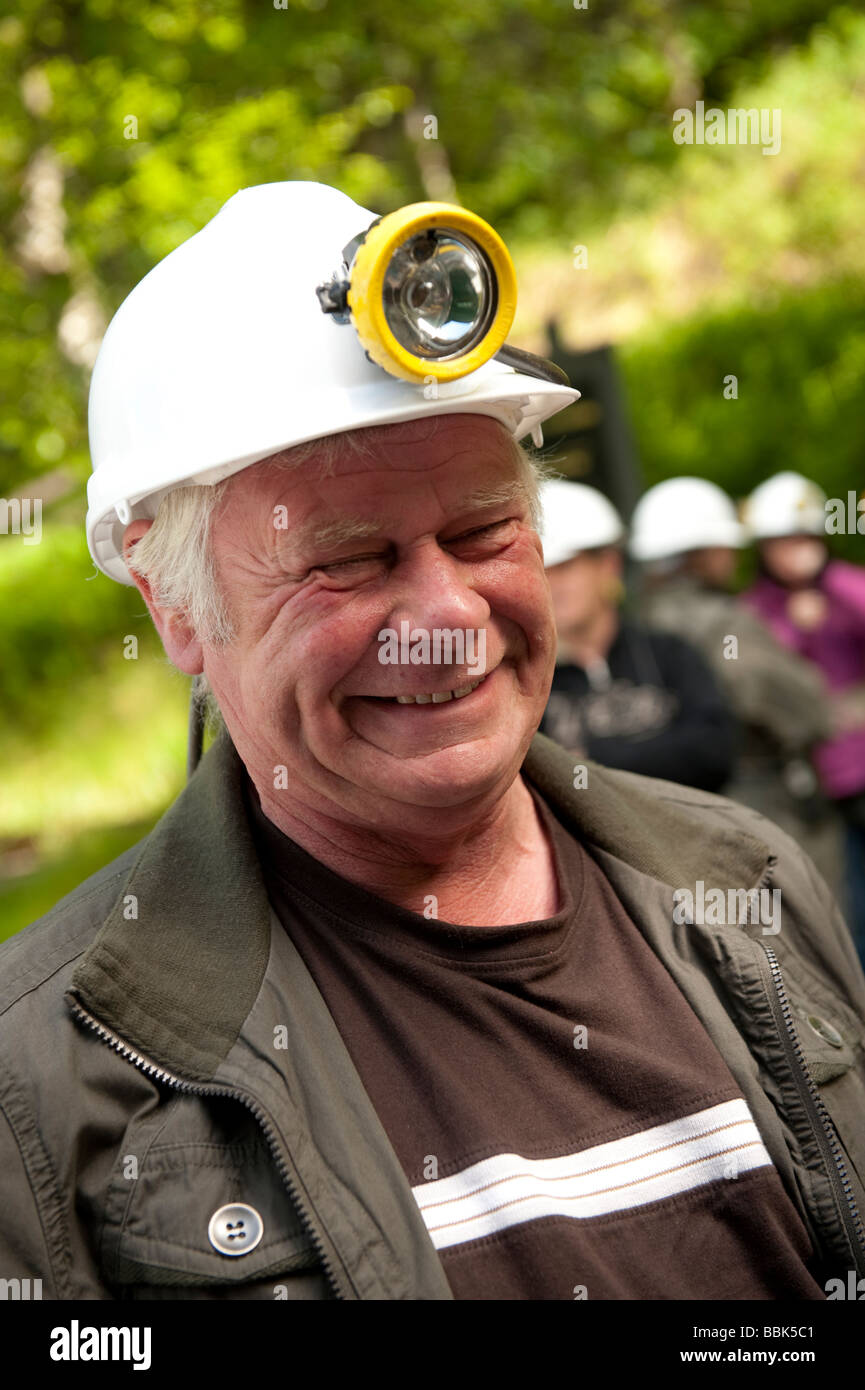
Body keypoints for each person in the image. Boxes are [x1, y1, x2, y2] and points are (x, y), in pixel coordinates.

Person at [0, 182, 864, 1302]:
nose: (448, 616)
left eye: (483, 531)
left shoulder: (748, 882)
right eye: (350, 559)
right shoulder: (47, 1080)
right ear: (177, 612)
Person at [631, 476, 845, 897]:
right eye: (724, 545)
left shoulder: (633, 628)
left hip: (678, 825)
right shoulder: (725, 624)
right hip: (768, 811)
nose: (733, 556)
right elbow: (809, 712)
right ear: (700, 553)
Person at [538, 478, 736, 791]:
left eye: (565, 567)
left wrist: (590, 756)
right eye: (540, 572)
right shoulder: (528, 683)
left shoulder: (670, 653)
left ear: (608, 565)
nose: (552, 586)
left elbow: (714, 753)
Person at [742, 470, 865, 967]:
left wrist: (831, 590)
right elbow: (760, 682)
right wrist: (794, 627)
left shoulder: (847, 585)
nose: (793, 552)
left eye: (803, 539)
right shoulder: (753, 611)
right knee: (842, 904)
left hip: (859, 770)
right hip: (805, 790)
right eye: (781, 542)